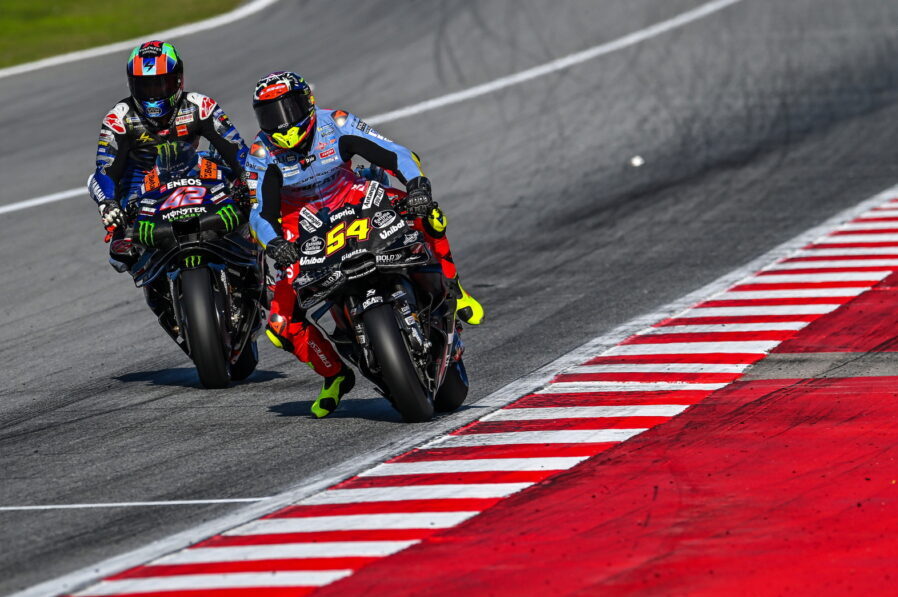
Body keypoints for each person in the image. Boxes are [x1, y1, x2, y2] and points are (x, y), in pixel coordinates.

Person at [245, 71, 483, 418]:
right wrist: (275, 244)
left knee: (427, 213)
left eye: (289, 108)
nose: (281, 123)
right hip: (301, 225)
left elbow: (394, 152)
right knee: (281, 325)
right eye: (270, 114)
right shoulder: (261, 152)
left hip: (355, 196)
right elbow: (258, 214)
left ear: (308, 103)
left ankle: (456, 288)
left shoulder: (336, 123)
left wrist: (416, 185)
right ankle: (335, 375)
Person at [87, 40, 248, 271]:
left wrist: (246, 182)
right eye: (145, 87)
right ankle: (147, 258)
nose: (153, 95)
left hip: (193, 167)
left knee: (242, 186)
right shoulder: (118, 118)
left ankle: (253, 258)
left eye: (161, 85)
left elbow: (237, 150)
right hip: (142, 178)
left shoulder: (200, 106)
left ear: (178, 80)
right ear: (131, 85)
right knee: (122, 255)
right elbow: (104, 170)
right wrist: (108, 204)